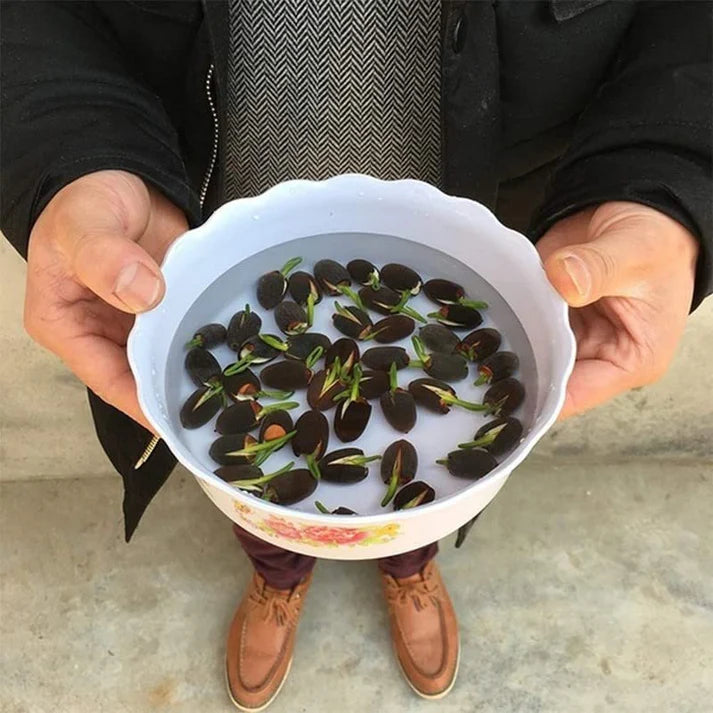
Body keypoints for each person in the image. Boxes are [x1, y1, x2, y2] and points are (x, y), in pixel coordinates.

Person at [1, 1, 710, 710]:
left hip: (498, 204)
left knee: (420, 497)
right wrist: (70, 152)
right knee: (258, 494)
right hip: (194, 206)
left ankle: (408, 563)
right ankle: (278, 574)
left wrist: (664, 174)